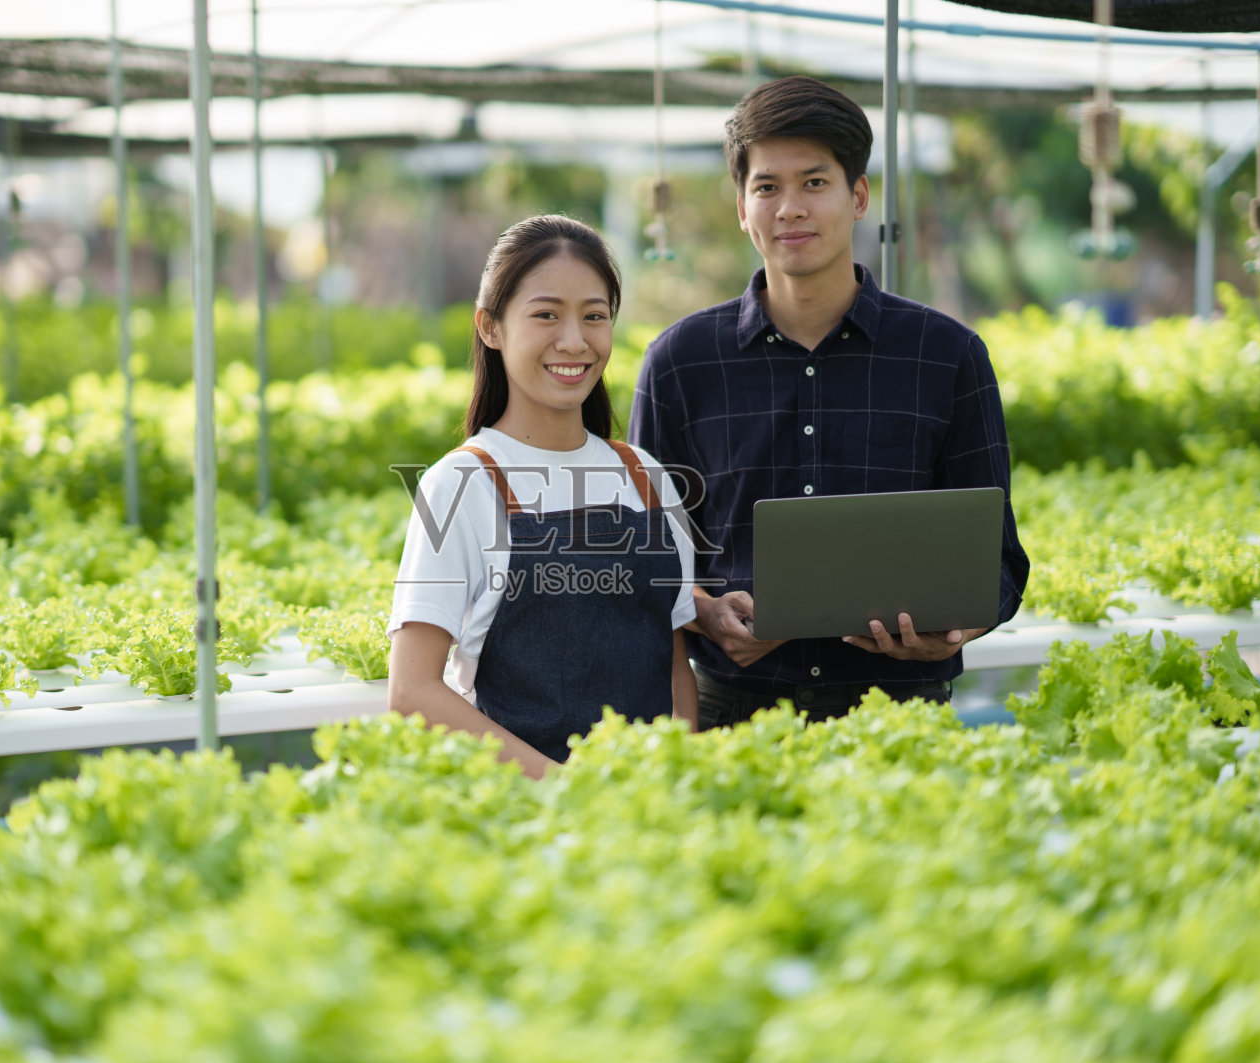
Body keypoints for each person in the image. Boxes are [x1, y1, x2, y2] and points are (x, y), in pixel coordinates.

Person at [628, 76, 1030, 728]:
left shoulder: (946, 356)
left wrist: (955, 630)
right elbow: (644, 556)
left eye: (814, 182)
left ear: (859, 196)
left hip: (901, 713)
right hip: (732, 717)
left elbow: (999, 564)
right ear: (742, 207)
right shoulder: (680, 363)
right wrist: (704, 610)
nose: (790, 209)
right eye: (767, 187)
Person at [387, 215, 699, 777]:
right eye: (546, 315)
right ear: (490, 327)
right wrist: (563, 790)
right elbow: (412, 692)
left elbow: (673, 663)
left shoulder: (645, 475)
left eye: (594, 316)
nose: (575, 341)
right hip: (523, 806)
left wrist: (672, 778)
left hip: (648, 803)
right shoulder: (460, 484)